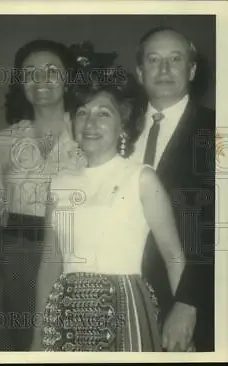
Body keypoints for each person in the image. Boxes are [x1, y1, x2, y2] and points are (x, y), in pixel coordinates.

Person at [31, 68, 189, 352]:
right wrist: (38, 334)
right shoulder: (59, 184)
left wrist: (184, 316)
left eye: (103, 113)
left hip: (125, 306)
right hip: (66, 311)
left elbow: (174, 255)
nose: (90, 123)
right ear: (71, 123)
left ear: (124, 125)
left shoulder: (141, 178)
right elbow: (49, 263)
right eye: (82, 113)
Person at [0, 39, 86, 351]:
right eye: (30, 72)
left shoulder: (90, 131)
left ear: (68, 78)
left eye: (51, 70)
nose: (41, 80)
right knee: (25, 341)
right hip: (19, 256)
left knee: (73, 340)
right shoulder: (5, 140)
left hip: (76, 253)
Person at [133, 27, 215, 352]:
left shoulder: (217, 132)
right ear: (140, 72)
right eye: (154, 60)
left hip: (187, 302)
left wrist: (188, 303)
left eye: (175, 59)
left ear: (192, 70)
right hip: (124, 299)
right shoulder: (116, 128)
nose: (164, 69)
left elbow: (218, 228)